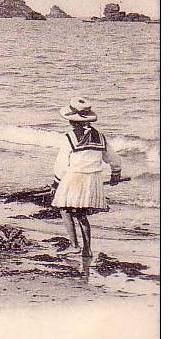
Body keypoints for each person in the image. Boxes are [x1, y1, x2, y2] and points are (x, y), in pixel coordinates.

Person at [51, 98, 123, 257]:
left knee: (65, 209)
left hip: (74, 178)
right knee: (81, 214)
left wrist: (56, 183)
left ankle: (74, 245)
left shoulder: (69, 137)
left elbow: (62, 164)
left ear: (71, 120)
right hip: (92, 180)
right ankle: (87, 249)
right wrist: (115, 173)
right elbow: (114, 158)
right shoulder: (100, 136)